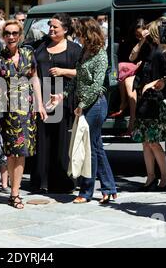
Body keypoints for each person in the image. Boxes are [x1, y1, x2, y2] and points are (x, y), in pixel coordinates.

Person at [0, 19, 48, 209]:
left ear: (20, 35)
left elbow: (35, 79)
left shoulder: (28, 53)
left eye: (15, 33)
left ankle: (15, 193)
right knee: (11, 153)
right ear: (3, 36)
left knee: (22, 153)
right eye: (7, 33)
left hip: (27, 111)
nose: (11, 36)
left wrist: (40, 104)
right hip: (8, 113)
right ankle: (14, 193)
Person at [49, 17, 117, 204]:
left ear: (88, 33)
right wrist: (62, 95)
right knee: (96, 146)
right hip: (86, 103)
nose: (78, 37)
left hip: (95, 105)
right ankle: (109, 187)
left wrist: (82, 104)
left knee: (90, 148)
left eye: (80, 34)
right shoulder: (85, 52)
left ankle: (87, 191)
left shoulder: (100, 55)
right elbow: (77, 79)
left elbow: (96, 85)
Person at [31, 13, 81, 193]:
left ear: (66, 30)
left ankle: (62, 182)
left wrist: (63, 71)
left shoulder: (75, 49)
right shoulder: (41, 46)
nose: (51, 29)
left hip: (64, 98)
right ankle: (41, 181)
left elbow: (82, 73)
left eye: (55, 27)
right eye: (50, 26)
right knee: (42, 140)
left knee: (62, 141)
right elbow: (33, 70)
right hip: (42, 97)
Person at [131, 18, 166, 192]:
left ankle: (164, 176)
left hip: (155, 100)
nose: (146, 32)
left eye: (149, 30)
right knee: (145, 142)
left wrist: (153, 84)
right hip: (145, 99)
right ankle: (150, 176)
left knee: (153, 142)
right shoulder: (148, 48)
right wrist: (142, 40)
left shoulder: (163, 51)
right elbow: (132, 56)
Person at [109, 19, 148, 134]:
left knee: (129, 86)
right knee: (122, 76)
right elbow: (131, 57)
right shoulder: (132, 41)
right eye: (136, 34)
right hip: (134, 67)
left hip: (145, 69)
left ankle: (131, 119)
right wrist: (141, 42)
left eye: (140, 34)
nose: (138, 36)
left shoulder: (151, 42)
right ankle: (124, 105)